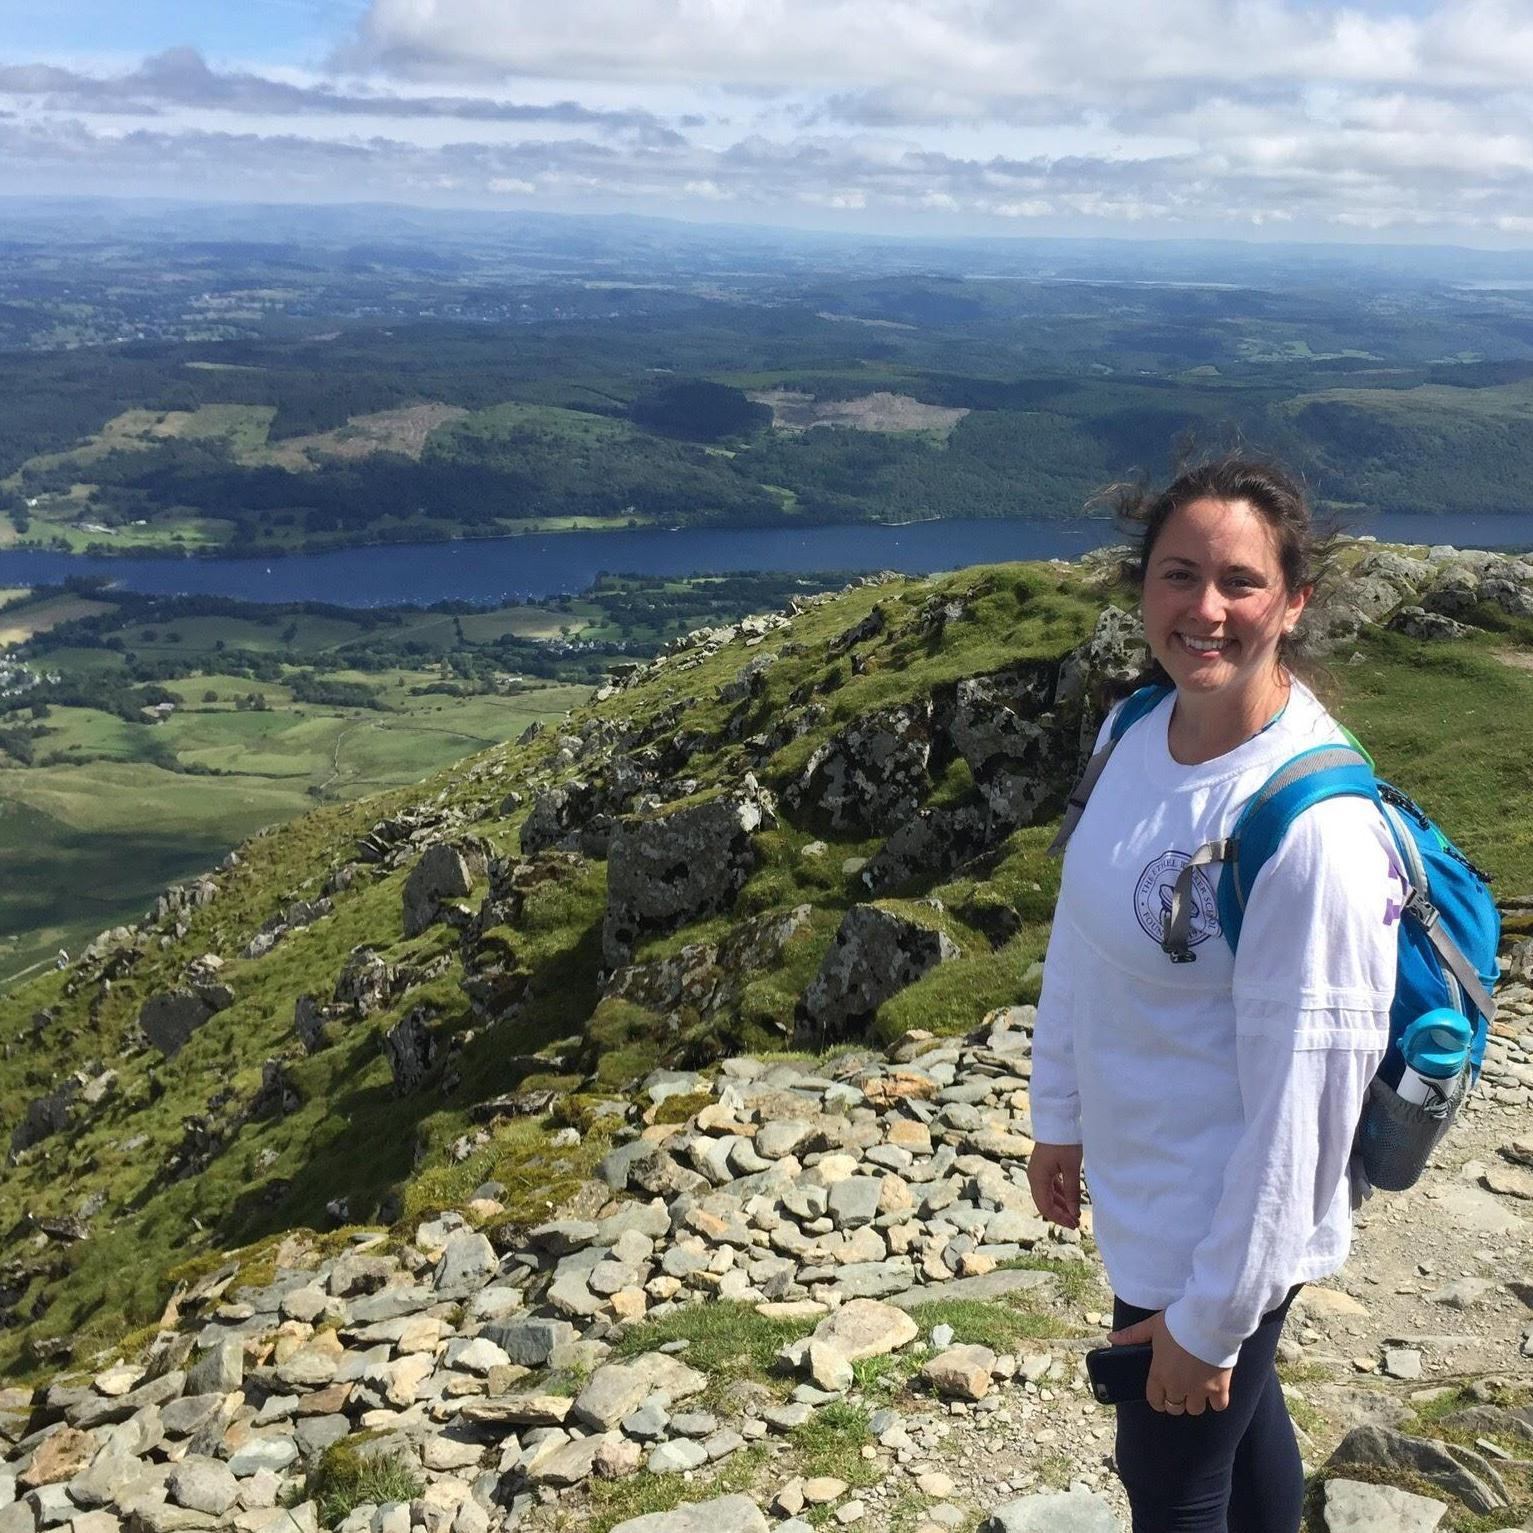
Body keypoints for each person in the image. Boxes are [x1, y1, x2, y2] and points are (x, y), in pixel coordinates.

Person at [1027, 456, 1404, 1533]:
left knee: (1172, 1480)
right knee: (1237, 1449)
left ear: (1293, 603)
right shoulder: (1132, 732)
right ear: (1141, 586)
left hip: (1223, 1229)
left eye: (1241, 583)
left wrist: (1214, 1316)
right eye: (1177, 575)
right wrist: (1059, 1114)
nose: (1205, 609)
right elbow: (1084, 942)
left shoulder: (1315, 831)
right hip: (1148, 1191)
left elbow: (1307, 1113)